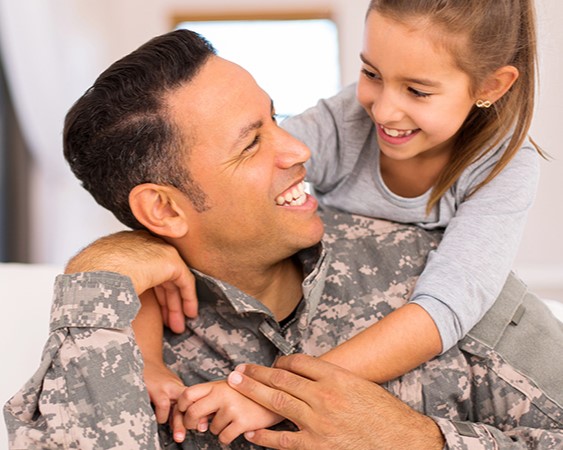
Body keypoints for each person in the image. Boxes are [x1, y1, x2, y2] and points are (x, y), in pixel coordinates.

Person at [4, 28, 562, 450]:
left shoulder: (428, 265)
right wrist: (98, 273)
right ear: (163, 208)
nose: (299, 150)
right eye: (252, 144)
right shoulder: (120, 344)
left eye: (276, 117)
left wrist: (422, 442)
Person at [144, 0, 546, 440]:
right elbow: (221, 197)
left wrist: (269, 395)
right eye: (371, 74)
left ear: (491, 85)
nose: (384, 110)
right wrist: (146, 356)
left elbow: (443, 310)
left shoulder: (504, 166)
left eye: (417, 91)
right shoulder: (344, 122)